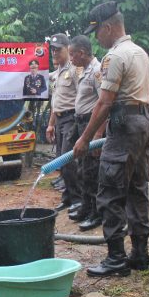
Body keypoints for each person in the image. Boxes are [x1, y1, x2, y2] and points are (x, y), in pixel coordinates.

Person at [73, 1, 149, 277]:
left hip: (124, 127)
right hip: (144, 122)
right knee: (137, 188)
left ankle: (116, 259)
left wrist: (85, 139)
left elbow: (105, 103)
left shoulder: (115, 56)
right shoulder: (139, 52)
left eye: (97, 33)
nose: (97, 38)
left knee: (109, 192)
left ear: (108, 27)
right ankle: (140, 255)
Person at [68, 35, 105, 231]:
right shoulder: (82, 71)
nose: (71, 58)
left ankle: (96, 213)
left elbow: (104, 105)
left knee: (92, 171)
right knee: (82, 169)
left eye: (73, 54)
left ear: (82, 53)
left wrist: (97, 135)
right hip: (81, 124)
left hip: (91, 127)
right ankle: (86, 206)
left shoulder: (97, 71)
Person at [45, 33, 83, 213]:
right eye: (52, 50)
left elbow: (82, 97)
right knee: (61, 159)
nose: (54, 53)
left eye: (58, 50)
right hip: (59, 119)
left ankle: (77, 199)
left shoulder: (75, 69)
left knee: (69, 160)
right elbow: (55, 102)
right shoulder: (57, 73)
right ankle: (67, 197)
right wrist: (51, 124)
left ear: (67, 49)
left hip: (72, 118)